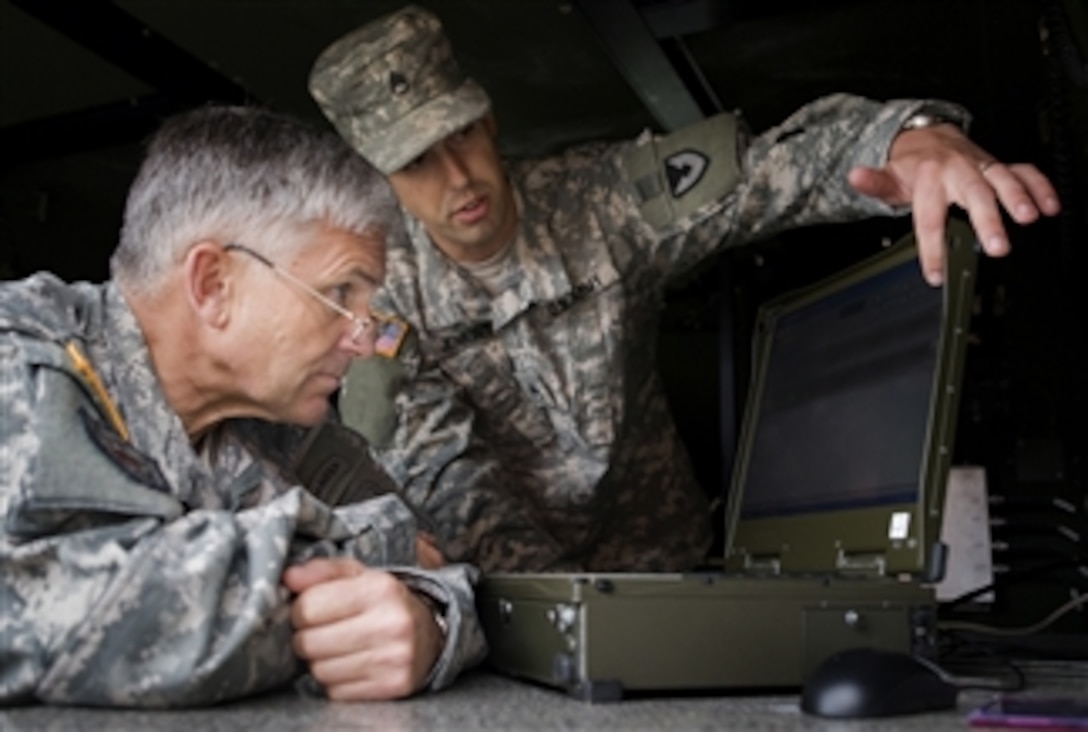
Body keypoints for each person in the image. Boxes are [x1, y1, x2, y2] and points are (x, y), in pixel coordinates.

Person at [307, 5, 1062, 574]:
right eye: (417, 165)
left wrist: (901, 139)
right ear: (380, 181)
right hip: (510, 587)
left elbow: (770, 172)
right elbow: (446, 474)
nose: (458, 179)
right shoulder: (378, 299)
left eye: (462, 136)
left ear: (490, 117)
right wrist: (554, 614)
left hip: (666, 561)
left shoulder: (598, 200)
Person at [0, 105, 486, 708]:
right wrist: (374, 552)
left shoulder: (281, 426)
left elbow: (441, 563)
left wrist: (431, 628)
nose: (364, 338)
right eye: (341, 293)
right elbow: (46, 612)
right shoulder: (23, 354)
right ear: (213, 284)